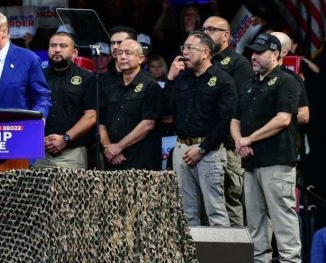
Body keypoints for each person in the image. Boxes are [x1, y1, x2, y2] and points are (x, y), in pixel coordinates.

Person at [230, 33, 302, 263]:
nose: (254, 56)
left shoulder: (286, 81)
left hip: (277, 159)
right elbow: (235, 119)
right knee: (255, 217)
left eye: (260, 52)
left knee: (282, 214)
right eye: (253, 52)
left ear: (276, 54)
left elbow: (283, 119)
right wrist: (239, 140)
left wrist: (249, 139)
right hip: (251, 160)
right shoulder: (249, 84)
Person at [164, 31, 237, 227]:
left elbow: (225, 121)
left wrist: (203, 148)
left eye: (190, 48)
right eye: (183, 48)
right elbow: (163, 112)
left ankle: (222, 258)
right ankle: (192, 258)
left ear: (205, 52)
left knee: (215, 210)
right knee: (186, 212)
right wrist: (169, 79)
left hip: (209, 150)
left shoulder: (223, 80)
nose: (184, 53)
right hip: (181, 148)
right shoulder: (181, 78)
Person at [204, 15, 253, 228]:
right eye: (203, 29)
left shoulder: (238, 63)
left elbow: (239, 106)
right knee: (204, 204)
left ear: (226, 35)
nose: (205, 34)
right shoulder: (199, 63)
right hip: (202, 144)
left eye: (211, 30)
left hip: (227, 145)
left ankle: (236, 258)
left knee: (229, 200)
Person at [34, 32, 95, 169]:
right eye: (53, 46)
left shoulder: (87, 78)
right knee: (37, 191)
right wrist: (37, 139)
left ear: (74, 53)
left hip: (72, 153)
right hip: (39, 152)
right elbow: (28, 110)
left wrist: (65, 139)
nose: (57, 49)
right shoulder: (38, 76)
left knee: (72, 191)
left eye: (63, 46)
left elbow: (91, 116)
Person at [99, 39, 162, 170]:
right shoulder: (110, 87)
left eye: (128, 53)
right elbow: (101, 123)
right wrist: (107, 148)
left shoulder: (151, 85)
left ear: (141, 58)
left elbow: (148, 124)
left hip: (140, 161)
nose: (122, 57)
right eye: (119, 53)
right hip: (111, 160)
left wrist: (119, 147)